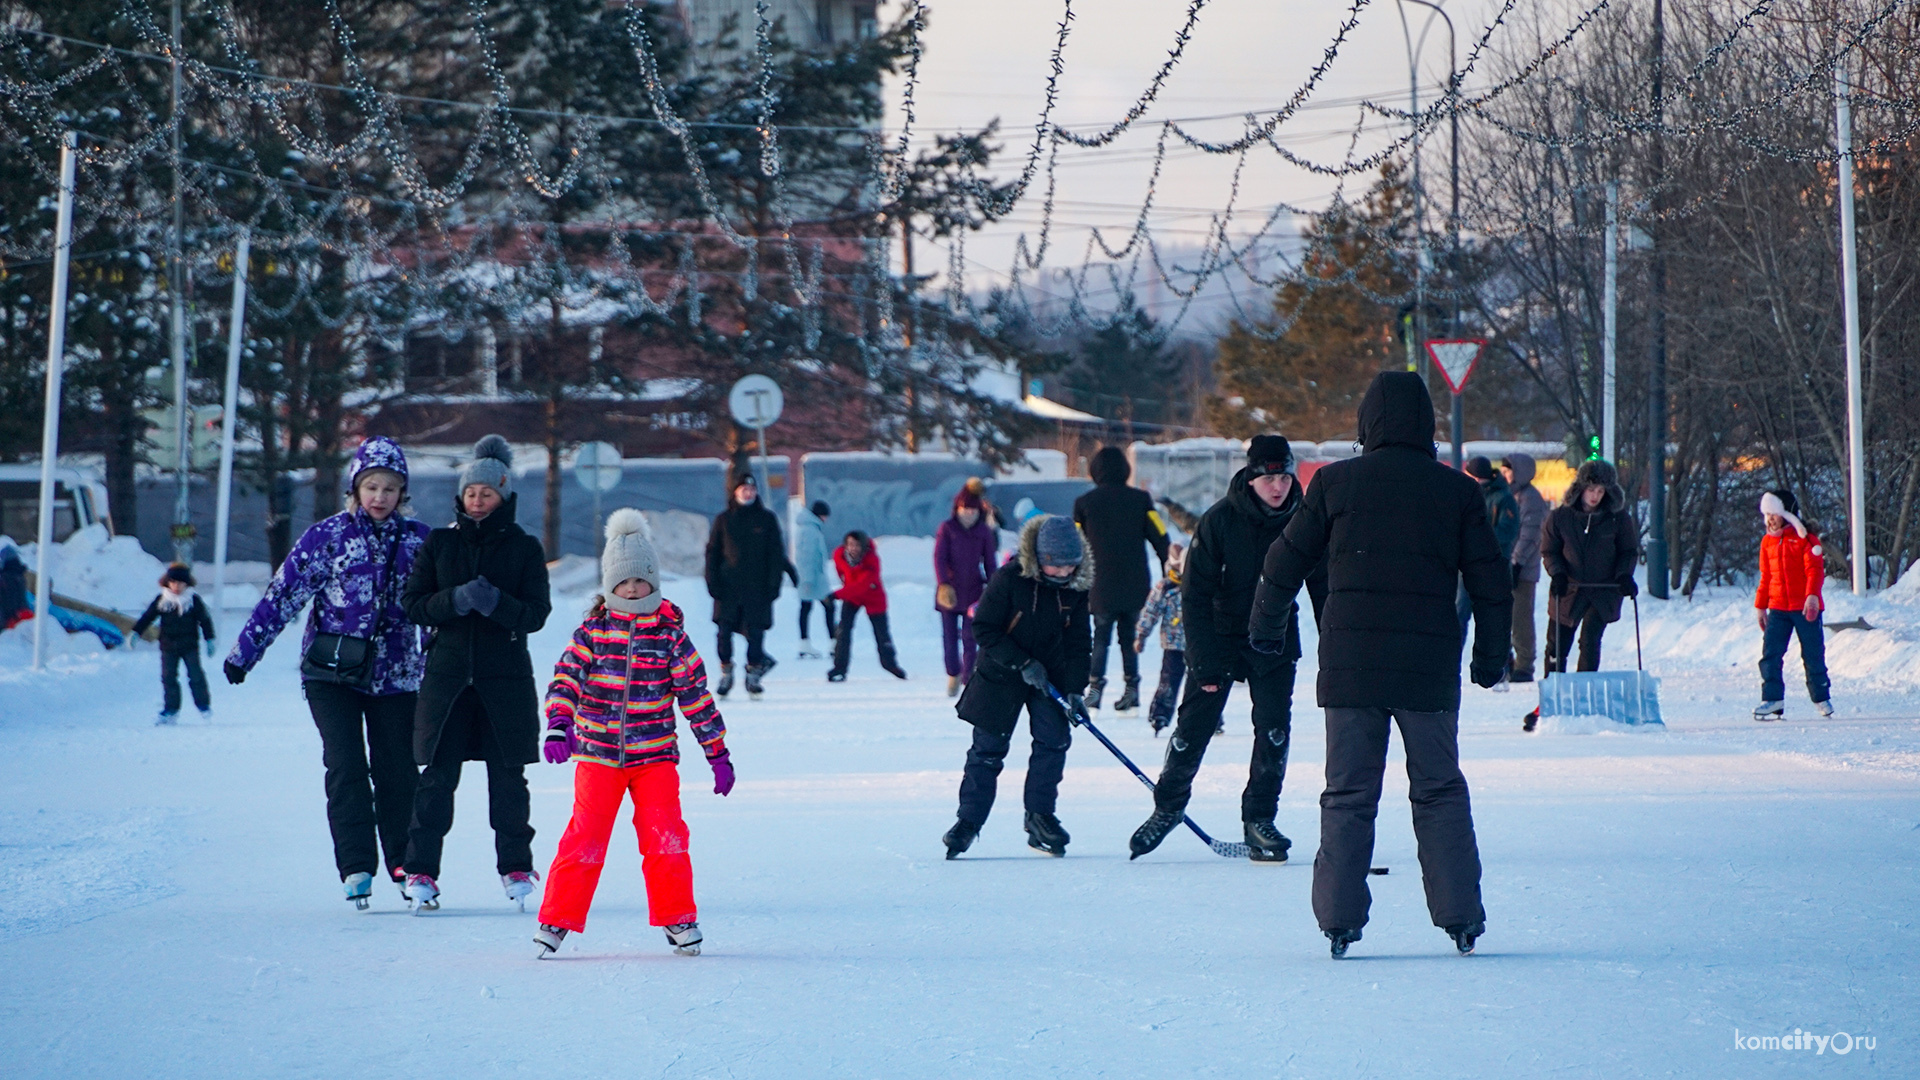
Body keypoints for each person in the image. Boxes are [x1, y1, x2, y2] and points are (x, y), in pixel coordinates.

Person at [1249, 371, 1511, 958]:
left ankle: (1339, 920)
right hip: (1428, 669)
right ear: (1428, 426)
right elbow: (1492, 584)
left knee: (1348, 792)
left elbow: (1284, 561)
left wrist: (1264, 629)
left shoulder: (1334, 485)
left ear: (1366, 424)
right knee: (1440, 790)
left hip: (1351, 670)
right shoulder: (1458, 492)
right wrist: (1491, 657)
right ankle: (1461, 916)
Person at [224, 436, 431, 909]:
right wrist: (244, 654)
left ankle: (404, 862)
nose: (379, 496)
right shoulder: (327, 538)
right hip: (332, 673)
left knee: (397, 770)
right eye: (371, 486)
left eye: (390, 488)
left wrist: (440, 666)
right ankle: (357, 865)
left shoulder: (420, 541)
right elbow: (282, 597)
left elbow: (435, 612)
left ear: (403, 493)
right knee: (345, 764)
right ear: (355, 489)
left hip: (397, 677)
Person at [533, 509, 732, 959]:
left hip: (655, 757)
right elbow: (564, 682)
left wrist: (717, 753)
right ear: (609, 586)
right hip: (598, 757)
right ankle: (557, 919)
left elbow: (696, 697)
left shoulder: (671, 638)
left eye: (641, 581)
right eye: (623, 583)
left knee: (667, 837)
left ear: (654, 583)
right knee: (584, 836)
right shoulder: (591, 633)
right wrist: (559, 725)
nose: (632, 590)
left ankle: (678, 916)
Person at [1129, 436, 1304, 864]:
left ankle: (1259, 819)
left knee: (1274, 732)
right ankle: (1168, 805)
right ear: (1250, 477)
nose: (1278, 487)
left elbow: (1325, 584)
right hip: (1221, 637)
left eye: (1284, 476)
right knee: (1193, 729)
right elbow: (1194, 593)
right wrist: (1202, 659)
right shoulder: (1220, 520)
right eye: (1269, 478)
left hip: (1275, 637)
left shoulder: (1304, 519)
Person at [399, 435, 553, 913]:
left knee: (508, 781)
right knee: (436, 780)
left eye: (487, 492)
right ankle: (421, 870)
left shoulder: (525, 548)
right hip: (447, 683)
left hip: (503, 683)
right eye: (471, 493)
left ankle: (516, 867)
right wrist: (457, 600)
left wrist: (497, 605)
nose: (479, 500)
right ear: (461, 497)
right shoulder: (440, 544)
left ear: (504, 495)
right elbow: (413, 605)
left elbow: (535, 614)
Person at [944, 515, 1092, 859]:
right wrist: (1023, 663)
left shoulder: (1077, 587)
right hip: (1002, 671)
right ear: (1039, 559)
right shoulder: (1010, 578)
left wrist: (1074, 690)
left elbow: (1079, 641)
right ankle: (968, 822)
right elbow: (984, 628)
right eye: (1055, 566)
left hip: (1051, 674)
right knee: (987, 750)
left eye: (1070, 566)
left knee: (1053, 743)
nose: (1063, 574)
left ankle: (1040, 817)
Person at [1530, 459, 1640, 730]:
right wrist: (1557, 573)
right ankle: (1551, 700)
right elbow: (1549, 550)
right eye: (1591, 489)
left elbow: (1628, 550)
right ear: (1580, 488)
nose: (1595, 496)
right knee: (1556, 646)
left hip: (1603, 591)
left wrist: (1624, 575)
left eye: (1601, 491)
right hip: (1568, 590)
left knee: (1590, 640)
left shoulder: (1617, 518)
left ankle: (1582, 699)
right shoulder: (1560, 517)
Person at [1073, 446, 1172, 711]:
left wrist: (1072, 580)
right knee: (1129, 637)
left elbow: (1075, 544)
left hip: (1100, 584)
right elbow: (1160, 536)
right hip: (1135, 582)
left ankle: (1094, 689)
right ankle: (1132, 688)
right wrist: (1169, 570)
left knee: (1101, 637)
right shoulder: (1141, 500)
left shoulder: (1084, 504)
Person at [704, 472, 797, 698]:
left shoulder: (766, 519)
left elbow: (776, 554)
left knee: (756, 632)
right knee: (724, 632)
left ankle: (753, 674)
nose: (748, 493)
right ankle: (726, 673)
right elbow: (712, 553)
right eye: (744, 490)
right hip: (728, 589)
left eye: (752, 490)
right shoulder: (723, 520)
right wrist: (712, 581)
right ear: (735, 492)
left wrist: (775, 584)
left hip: (758, 589)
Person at [1753, 490, 1833, 720]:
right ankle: (1772, 698)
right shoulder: (1768, 542)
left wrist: (1812, 597)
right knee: (1771, 653)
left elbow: (1815, 571)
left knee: (1813, 653)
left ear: (1786, 514)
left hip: (1805, 608)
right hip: (1778, 608)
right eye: (1767, 514)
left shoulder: (1805, 539)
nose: (1770, 519)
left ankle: (1821, 697)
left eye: (1774, 514)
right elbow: (1765, 576)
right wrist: (1761, 606)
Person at [934, 479, 998, 696]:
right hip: (949, 592)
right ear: (957, 509)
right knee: (949, 637)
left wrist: (994, 585)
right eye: (964, 509)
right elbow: (939, 557)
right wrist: (943, 583)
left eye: (972, 510)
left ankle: (968, 677)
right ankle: (953, 673)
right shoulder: (947, 528)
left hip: (973, 591)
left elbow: (990, 562)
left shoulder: (983, 532)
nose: (968, 514)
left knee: (970, 638)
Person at [132, 563, 217, 724]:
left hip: (189, 645)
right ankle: (171, 710)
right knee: (168, 677)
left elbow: (205, 620)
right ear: (167, 583)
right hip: (168, 646)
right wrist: (136, 632)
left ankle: (203, 706)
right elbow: (148, 617)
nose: (176, 586)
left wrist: (209, 639)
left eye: (180, 583)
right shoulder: (163, 600)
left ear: (187, 583)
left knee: (196, 675)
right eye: (173, 582)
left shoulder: (193, 601)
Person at [828, 530, 906, 682]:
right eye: (850, 545)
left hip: (873, 596)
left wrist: (837, 595)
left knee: (882, 633)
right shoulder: (839, 556)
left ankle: (890, 664)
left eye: (857, 545)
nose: (853, 549)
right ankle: (839, 668)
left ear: (863, 547)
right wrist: (845, 588)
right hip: (851, 595)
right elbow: (842, 573)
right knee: (843, 631)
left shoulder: (872, 560)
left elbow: (863, 585)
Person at [1500, 453, 1550, 683]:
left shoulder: (1530, 498)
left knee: (1520, 617)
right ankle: (1510, 660)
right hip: (1508, 564)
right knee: (1506, 616)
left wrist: (1517, 561)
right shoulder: (1511, 495)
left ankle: (1524, 664)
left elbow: (1530, 533)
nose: (1504, 475)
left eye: (1508, 471)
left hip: (1522, 568)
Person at [1457, 457, 1519, 637]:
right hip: (1467, 566)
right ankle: (1453, 660)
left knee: (1492, 619)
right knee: (1460, 614)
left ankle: (1499, 663)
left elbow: (1508, 531)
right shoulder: (1465, 495)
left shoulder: (1503, 498)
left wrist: (1477, 537)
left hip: (1492, 567)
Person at [1132, 542, 1186, 735]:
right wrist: (1141, 635)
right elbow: (1150, 612)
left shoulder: (1200, 584)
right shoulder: (1165, 587)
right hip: (1173, 644)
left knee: (1204, 682)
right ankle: (1160, 714)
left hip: (1199, 643)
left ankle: (1209, 718)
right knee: (1169, 680)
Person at [792, 499, 836, 660]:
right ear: (820, 515)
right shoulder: (811, 531)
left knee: (806, 607)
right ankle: (833, 642)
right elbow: (809, 556)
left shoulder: (807, 528)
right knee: (829, 606)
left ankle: (805, 643)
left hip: (810, 577)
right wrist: (809, 579)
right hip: (814, 578)